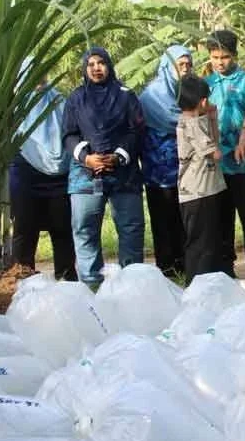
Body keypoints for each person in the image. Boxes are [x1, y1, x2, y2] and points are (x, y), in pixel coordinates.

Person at [63, 47, 145, 287]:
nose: (96, 68)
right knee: (85, 229)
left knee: (131, 229)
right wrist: (87, 158)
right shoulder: (76, 98)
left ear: (109, 65)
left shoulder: (126, 96)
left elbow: (137, 130)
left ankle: (132, 284)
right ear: (84, 68)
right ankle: (91, 284)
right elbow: (68, 135)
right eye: (91, 64)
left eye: (101, 63)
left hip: (124, 174)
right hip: (85, 175)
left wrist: (118, 156)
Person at [207, 30, 245, 276]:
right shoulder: (208, 84)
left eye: (225, 57)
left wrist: (244, 138)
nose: (220, 63)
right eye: (215, 57)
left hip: (244, 163)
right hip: (218, 163)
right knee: (222, 218)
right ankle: (225, 267)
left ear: (234, 55)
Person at [9, 59, 77, 280]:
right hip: (25, 174)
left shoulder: (59, 100)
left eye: (42, 72)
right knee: (25, 232)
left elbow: (70, 131)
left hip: (59, 175)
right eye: (33, 72)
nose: (39, 78)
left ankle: (67, 280)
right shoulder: (14, 105)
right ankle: (23, 281)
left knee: (63, 231)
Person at [139, 45, 194, 278]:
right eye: (180, 64)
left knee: (184, 220)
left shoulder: (189, 92)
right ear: (166, 66)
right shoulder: (151, 96)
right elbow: (183, 120)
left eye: (188, 64)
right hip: (157, 171)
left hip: (187, 170)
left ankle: (185, 265)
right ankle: (167, 268)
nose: (185, 69)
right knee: (163, 220)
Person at [177, 74, 230, 279]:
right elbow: (215, 152)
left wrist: (212, 118)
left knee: (211, 242)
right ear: (203, 100)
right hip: (198, 193)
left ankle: (210, 283)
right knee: (201, 244)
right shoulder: (192, 124)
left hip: (208, 189)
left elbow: (213, 143)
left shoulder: (196, 120)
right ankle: (197, 284)